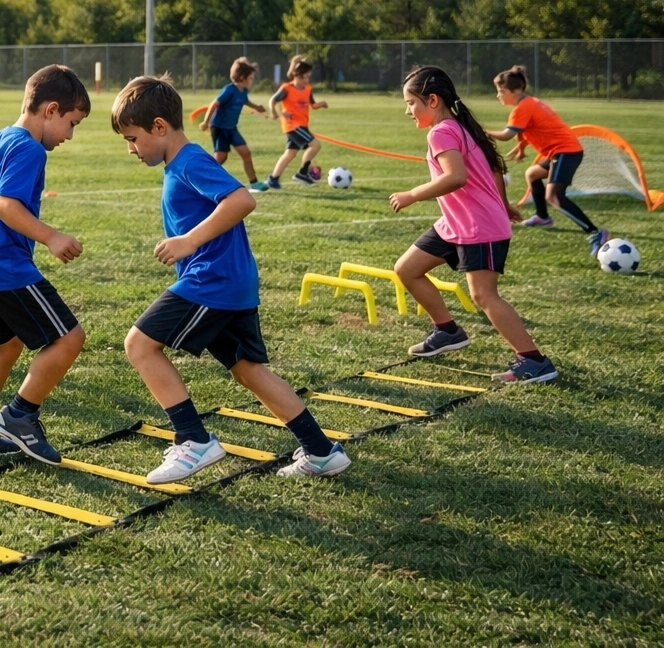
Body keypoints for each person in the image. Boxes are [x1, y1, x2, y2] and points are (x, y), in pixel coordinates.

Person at [115, 76, 352, 481]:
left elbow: (242, 199)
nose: (131, 149)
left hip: (213, 282)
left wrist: (188, 241)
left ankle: (193, 439)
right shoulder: (182, 163)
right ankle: (320, 450)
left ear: (159, 126)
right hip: (231, 282)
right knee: (248, 370)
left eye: (133, 138)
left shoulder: (191, 161)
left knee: (139, 345)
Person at [0, 65, 89, 465]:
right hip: (2, 267)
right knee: (69, 339)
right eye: (71, 124)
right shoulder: (28, 148)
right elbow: (4, 205)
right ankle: (19, 416)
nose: (70, 136)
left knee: (5, 345)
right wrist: (52, 237)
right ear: (51, 109)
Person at [391, 66, 558, 383]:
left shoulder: (441, 132)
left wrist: (412, 194)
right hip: (456, 223)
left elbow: (456, 177)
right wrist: (503, 203)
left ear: (433, 100)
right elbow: (494, 166)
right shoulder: (460, 126)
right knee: (406, 269)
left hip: (478, 226)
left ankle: (535, 362)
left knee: (484, 295)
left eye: (411, 103)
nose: (407, 110)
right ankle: (447, 331)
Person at [487, 65, 608, 257]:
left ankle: (595, 233)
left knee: (554, 196)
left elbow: (506, 135)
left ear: (516, 91)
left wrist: (480, 132)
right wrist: (521, 148)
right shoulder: (530, 102)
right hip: (561, 152)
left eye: (501, 91)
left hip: (565, 152)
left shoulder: (523, 107)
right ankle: (543, 218)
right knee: (532, 174)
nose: (498, 95)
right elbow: (531, 128)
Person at [199, 56, 268, 192]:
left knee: (246, 153)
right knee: (221, 157)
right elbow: (214, 104)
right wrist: (206, 122)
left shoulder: (243, 91)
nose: (252, 81)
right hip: (219, 127)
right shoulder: (229, 90)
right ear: (242, 77)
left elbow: (245, 101)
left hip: (231, 128)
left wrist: (256, 107)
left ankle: (254, 183)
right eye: (251, 78)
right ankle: (202, 179)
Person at [266, 55, 328, 188]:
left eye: (308, 77)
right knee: (315, 145)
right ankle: (302, 173)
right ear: (297, 76)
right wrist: (275, 112)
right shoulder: (287, 88)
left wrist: (320, 104)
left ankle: (273, 178)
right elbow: (273, 100)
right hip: (293, 126)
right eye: (305, 77)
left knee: (290, 153)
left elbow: (312, 104)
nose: (307, 80)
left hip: (302, 126)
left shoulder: (308, 89)